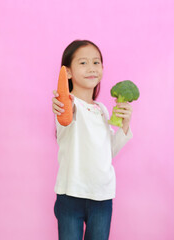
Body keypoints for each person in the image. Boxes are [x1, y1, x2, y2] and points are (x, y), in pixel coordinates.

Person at [52, 40, 133, 240]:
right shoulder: (67, 105)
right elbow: (65, 120)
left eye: (96, 63)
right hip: (71, 195)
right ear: (68, 72)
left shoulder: (102, 110)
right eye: (83, 63)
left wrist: (124, 125)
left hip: (102, 197)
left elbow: (108, 152)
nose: (91, 68)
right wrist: (62, 105)